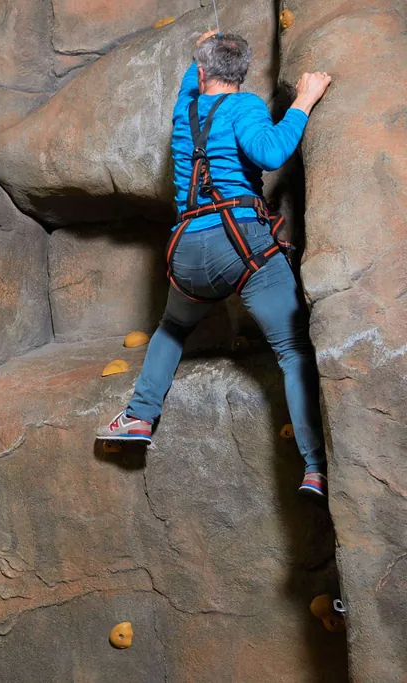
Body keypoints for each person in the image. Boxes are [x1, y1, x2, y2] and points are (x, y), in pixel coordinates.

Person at [95, 31, 333, 497]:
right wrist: (304, 99)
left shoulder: (183, 113)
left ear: (201, 70)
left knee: (171, 328)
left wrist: (199, 50)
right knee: (293, 350)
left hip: (187, 251)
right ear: (241, 74)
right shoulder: (245, 107)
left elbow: (193, 83)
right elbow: (270, 152)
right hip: (241, 247)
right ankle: (315, 468)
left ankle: (139, 417)